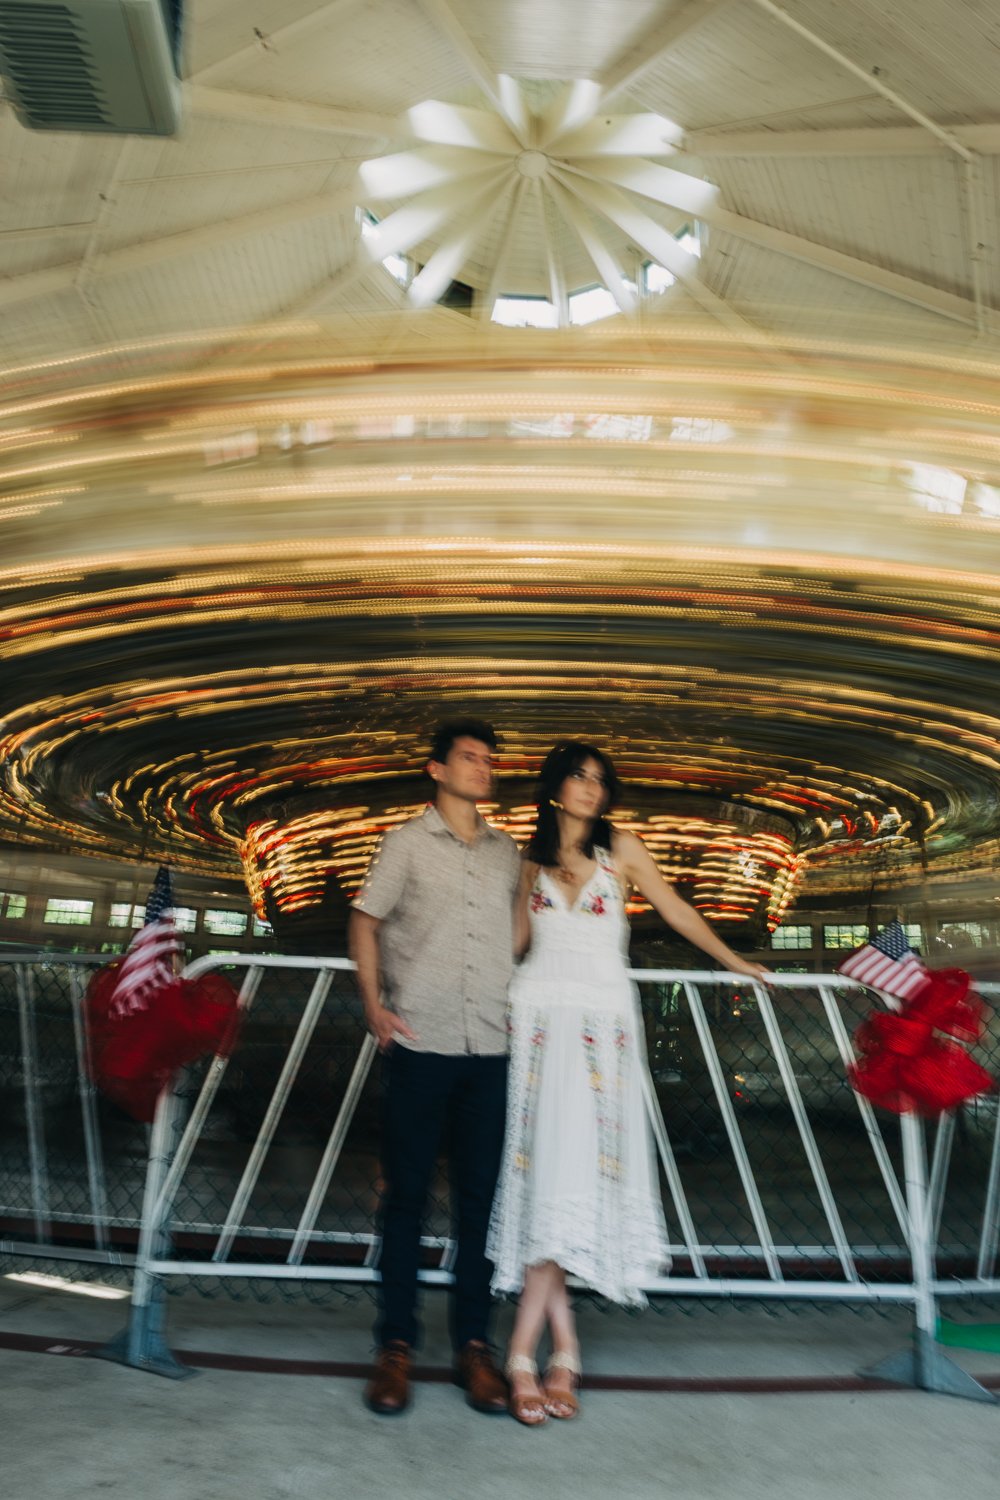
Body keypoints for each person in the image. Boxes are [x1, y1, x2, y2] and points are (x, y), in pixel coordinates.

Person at [486, 741, 770, 1426]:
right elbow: (512, 942)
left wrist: (735, 962)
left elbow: (674, 910)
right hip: (539, 1022)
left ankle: (523, 1353)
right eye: (579, 778)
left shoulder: (624, 848)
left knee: (574, 1173)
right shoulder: (529, 860)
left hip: (602, 1029)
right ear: (556, 789)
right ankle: (562, 1352)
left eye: (600, 780)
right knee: (543, 1175)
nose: (591, 788)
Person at [350, 718, 521, 1416]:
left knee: (481, 1204)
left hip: (491, 1046)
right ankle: (395, 1346)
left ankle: (473, 1348)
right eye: (470, 759)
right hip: (422, 1042)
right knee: (407, 1200)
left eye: (488, 760)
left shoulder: (508, 850)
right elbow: (365, 919)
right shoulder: (406, 843)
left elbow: (519, 924)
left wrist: (513, 983)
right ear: (437, 770)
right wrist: (373, 1005)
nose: (484, 769)